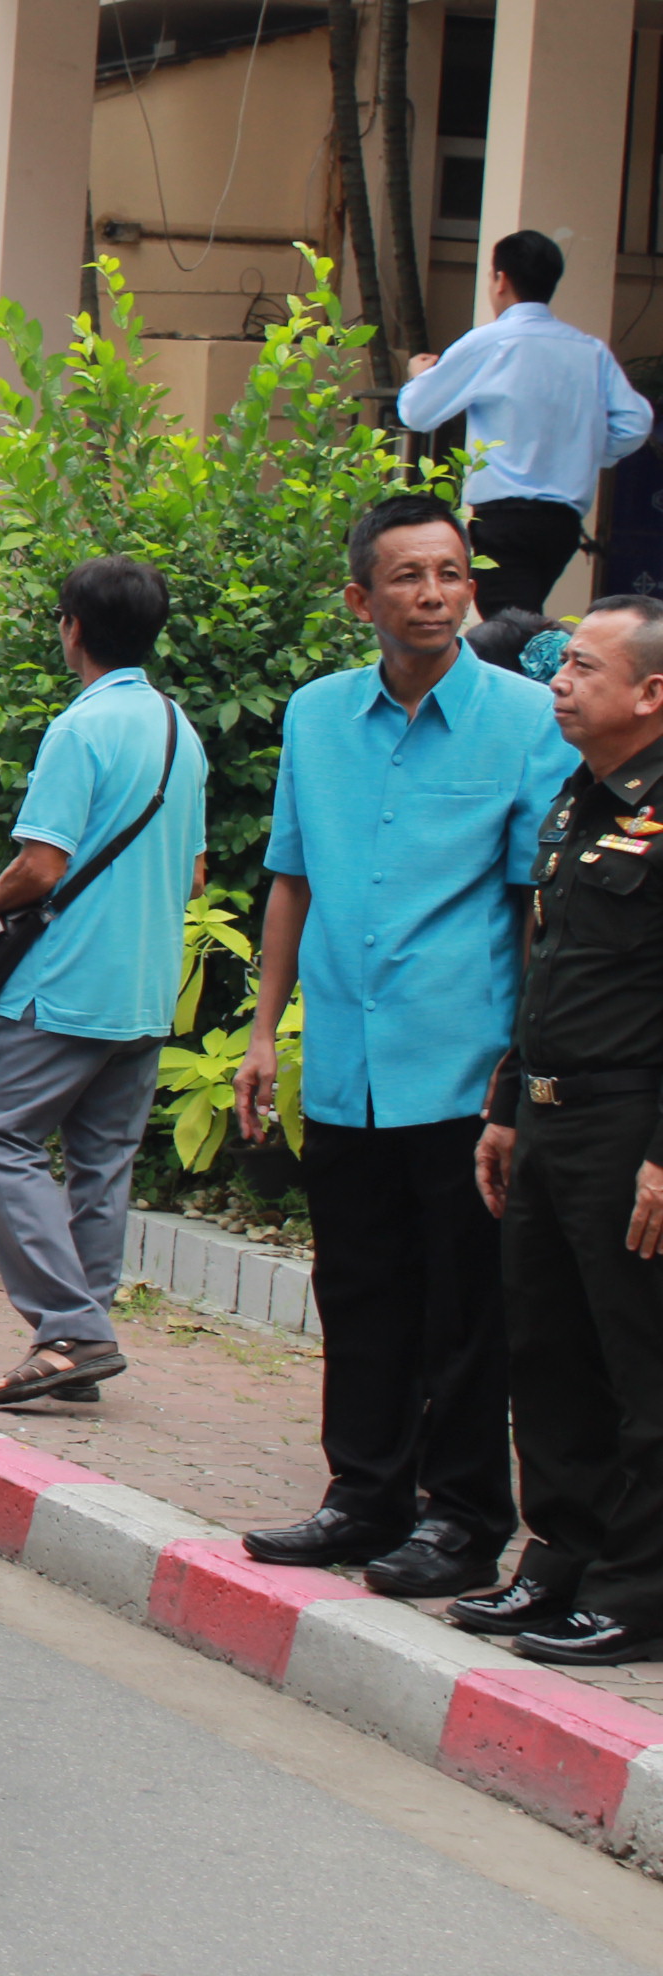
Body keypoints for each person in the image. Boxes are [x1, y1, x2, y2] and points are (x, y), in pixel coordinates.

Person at [233, 496, 566, 1596]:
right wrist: (264, 1032)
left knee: (465, 1306)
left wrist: (522, 1066)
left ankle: (463, 1519)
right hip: (344, 1060)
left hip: (463, 1062)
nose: (434, 595)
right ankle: (363, 1497)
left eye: (451, 574)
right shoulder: (318, 715)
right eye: (409, 577)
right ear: (359, 598)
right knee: (358, 1287)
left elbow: (533, 907)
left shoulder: (524, 718)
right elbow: (292, 879)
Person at [0, 557, 212, 1411]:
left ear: (72, 628)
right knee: (101, 1164)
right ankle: (83, 1339)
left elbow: (42, 865)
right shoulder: (180, 730)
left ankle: (70, 1327)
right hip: (146, 984)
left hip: (65, 983)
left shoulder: (81, 728)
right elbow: (196, 874)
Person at [460, 597, 663, 1663]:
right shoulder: (578, 800)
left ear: (651, 693)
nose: (560, 682)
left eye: (584, 666)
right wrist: (506, 1110)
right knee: (548, 1351)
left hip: (632, 1124)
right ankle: (558, 1561)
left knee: (641, 1363)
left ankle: (639, 1592)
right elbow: (547, 975)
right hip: (548, 1117)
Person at [395, 230, 654, 616]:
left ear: (501, 279)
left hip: (504, 517)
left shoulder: (490, 342)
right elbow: (635, 421)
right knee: (518, 619)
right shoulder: (589, 350)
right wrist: (588, 451)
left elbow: (417, 412)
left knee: (509, 627)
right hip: (563, 521)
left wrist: (420, 376)